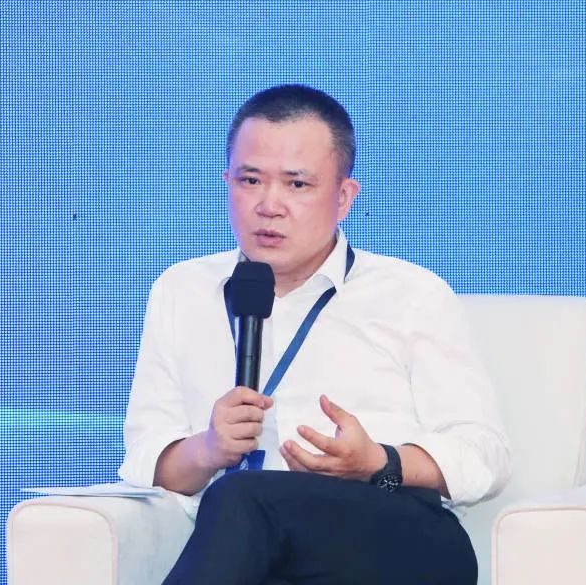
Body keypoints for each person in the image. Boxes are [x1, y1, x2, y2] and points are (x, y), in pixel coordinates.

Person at [118, 84, 510, 585]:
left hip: (397, 534)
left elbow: (485, 455)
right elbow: (148, 459)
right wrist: (209, 449)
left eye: (297, 184)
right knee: (239, 505)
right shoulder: (182, 290)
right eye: (250, 180)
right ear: (226, 182)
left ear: (344, 197)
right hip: (248, 544)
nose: (269, 205)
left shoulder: (411, 293)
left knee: (241, 497)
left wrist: (379, 461)